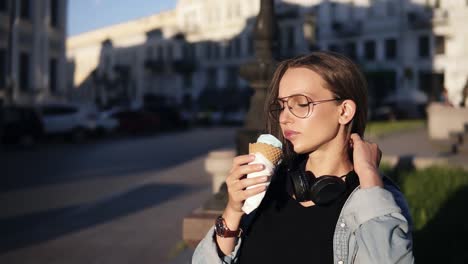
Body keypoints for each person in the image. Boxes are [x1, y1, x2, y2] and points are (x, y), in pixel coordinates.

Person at [192, 51, 414, 263]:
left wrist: (369, 176)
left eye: (301, 103)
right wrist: (233, 211)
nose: (285, 118)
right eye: (281, 106)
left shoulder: (375, 201)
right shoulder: (269, 183)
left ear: (344, 111)